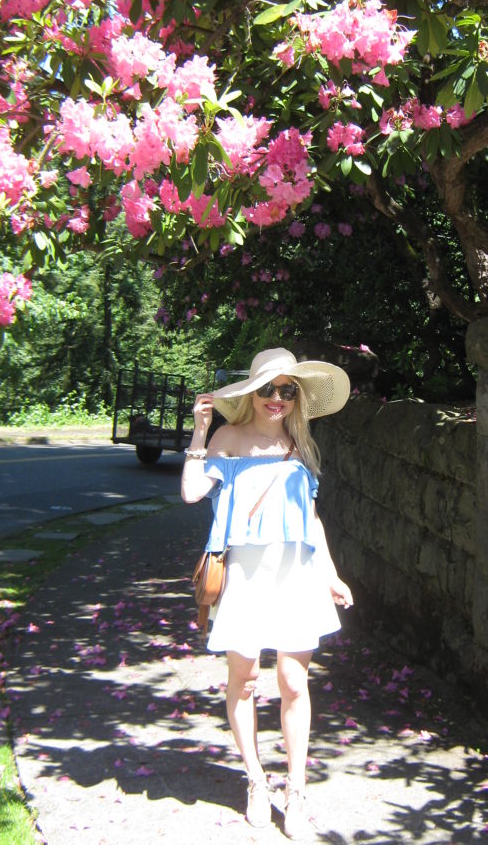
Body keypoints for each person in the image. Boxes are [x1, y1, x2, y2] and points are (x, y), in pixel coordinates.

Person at [181, 347, 354, 838]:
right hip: (246, 577)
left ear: (296, 397)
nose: (276, 399)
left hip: (296, 575)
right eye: (267, 390)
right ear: (251, 393)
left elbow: (312, 521)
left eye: (286, 390)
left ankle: (295, 789)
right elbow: (193, 493)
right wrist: (199, 430)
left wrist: (332, 574)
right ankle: (257, 780)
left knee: (294, 684)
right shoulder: (229, 439)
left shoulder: (301, 446)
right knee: (246, 681)